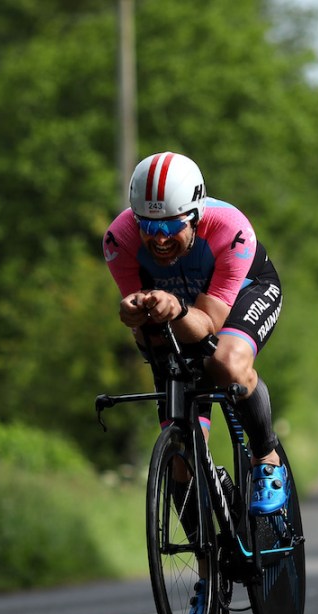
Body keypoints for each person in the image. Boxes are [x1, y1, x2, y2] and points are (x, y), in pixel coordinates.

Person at [102, 151, 288, 518]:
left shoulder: (230, 228)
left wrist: (177, 309)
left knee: (224, 361)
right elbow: (146, 340)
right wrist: (135, 316)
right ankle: (206, 565)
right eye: (149, 227)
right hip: (178, 309)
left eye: (171, 227)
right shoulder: (118, 240)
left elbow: (209, 325)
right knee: (181, 462)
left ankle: (266, 456)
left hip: (240, 296)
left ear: (197, 216)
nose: (159, 240)